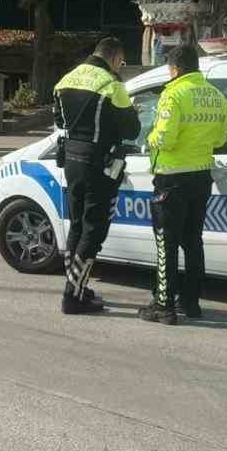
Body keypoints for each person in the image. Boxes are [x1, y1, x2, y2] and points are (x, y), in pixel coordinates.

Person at [138, 43, 227, 325]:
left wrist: (149, 139)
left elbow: (165, 138)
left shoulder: (173, 95)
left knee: (166, 243)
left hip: (171, 177)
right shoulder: (216, 96)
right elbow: (221, 139)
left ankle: (163, 306)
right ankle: (191, 302)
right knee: (193, 241)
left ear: (174, 69)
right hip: (201, 176)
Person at [52, 37, 138, 315]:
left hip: (71, 161)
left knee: (77, 225)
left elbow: (59, 122)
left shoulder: (66, 79)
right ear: (114, 58)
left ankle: (77, 285)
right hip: (98, 164)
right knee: (94, 230)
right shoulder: (112, 85)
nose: (120, 67)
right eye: (121, 62)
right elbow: (133, 129)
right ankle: (72, 297)